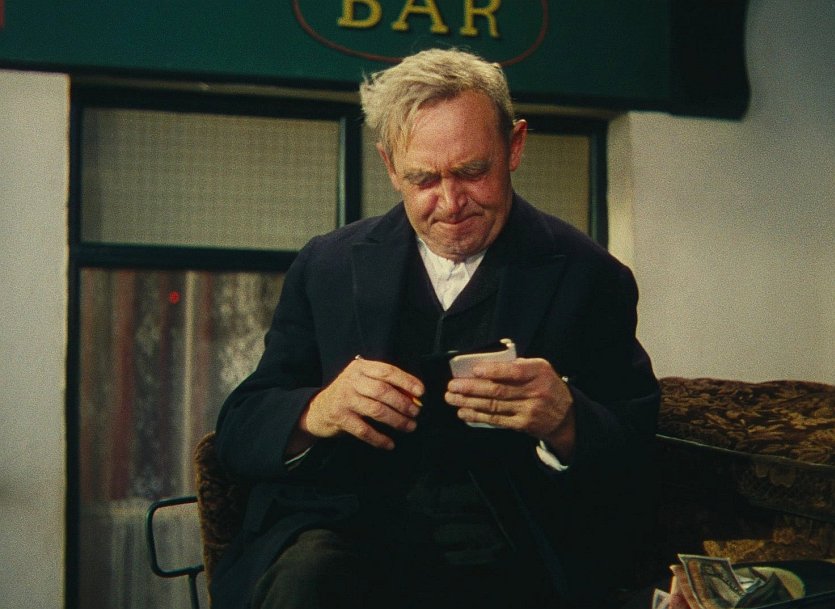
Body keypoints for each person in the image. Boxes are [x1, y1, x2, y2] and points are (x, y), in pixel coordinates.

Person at [211, 48, 660, 609]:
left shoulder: (591, 277)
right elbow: (240, 428)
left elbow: (638, 456)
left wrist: (566, 421)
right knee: (308, 580)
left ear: (515, 146)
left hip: (514, 552)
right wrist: (315, 411)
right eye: (423, 178)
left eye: (472, 172)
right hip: (345, 543)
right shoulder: (326, 266)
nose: (450, 203)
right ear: (389, 165)